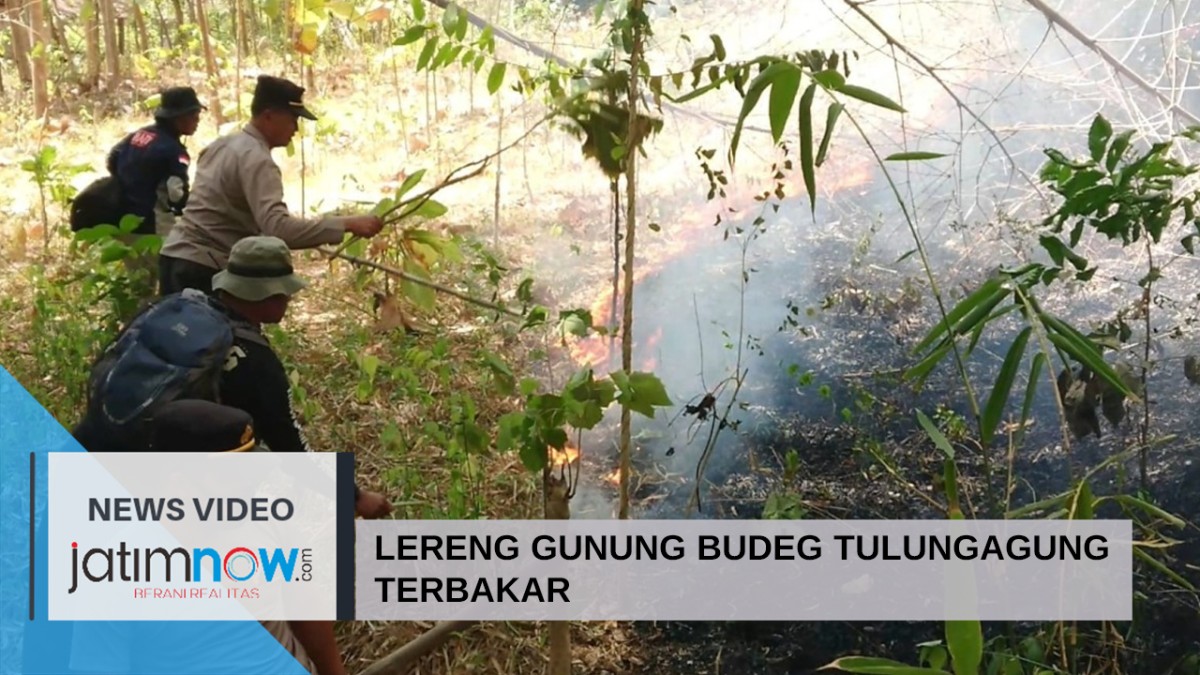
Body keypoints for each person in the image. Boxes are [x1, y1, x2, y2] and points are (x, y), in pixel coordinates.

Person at [157, 75, 384, 296]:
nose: (296, 128)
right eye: (292, 119)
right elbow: (278, 228)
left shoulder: (221, 145)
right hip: (204, 268)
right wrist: (347, 224)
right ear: (268, 116)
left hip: (174, 257)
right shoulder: (258, 160)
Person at [106, 86, 205, 291]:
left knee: (138, 285)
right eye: (194, 115)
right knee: (168, 283)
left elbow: (112, 158)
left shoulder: (139, 135)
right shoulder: (173, 152)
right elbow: (175, 193)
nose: (198, 120)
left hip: (122, 221)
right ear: (179, 118)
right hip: (151, 227)